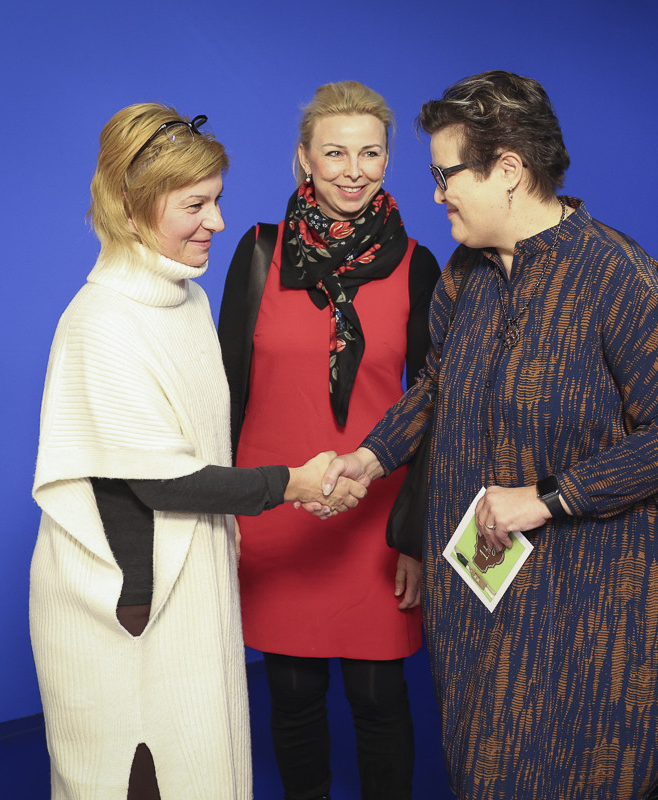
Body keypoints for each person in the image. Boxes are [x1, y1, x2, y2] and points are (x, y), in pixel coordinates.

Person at [322, 70, 658, 800]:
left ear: (508, 170)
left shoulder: (616, 276)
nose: (437, 194)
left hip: (599, 604)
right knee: (487, 769)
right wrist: (372, 455)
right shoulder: (467, 272)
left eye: (446, 175)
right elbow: (436, 384)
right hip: (485, 591)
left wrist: (548, 496)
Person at [30, 103, 364, 800]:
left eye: (217, 200)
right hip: (130, 608)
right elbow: (163, 481)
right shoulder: (102, 322)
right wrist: (291, 483)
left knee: (202, 768)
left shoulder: (183, 302)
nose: (217, 221)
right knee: (138, 777)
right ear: (132, 210)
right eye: (195, 205)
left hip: (191, 583)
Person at [218, 81, 439, 800]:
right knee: (291, 692)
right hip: (275, 506)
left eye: (370, 153)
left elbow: (432, 409)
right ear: (304, 159)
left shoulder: (419, 265)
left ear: (388, 160)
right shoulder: (258, 252)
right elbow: (225, 392)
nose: (353, 170)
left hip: (373, 515)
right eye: (335, 152)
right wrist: (224, 509)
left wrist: (415, 536)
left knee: (380, 696)